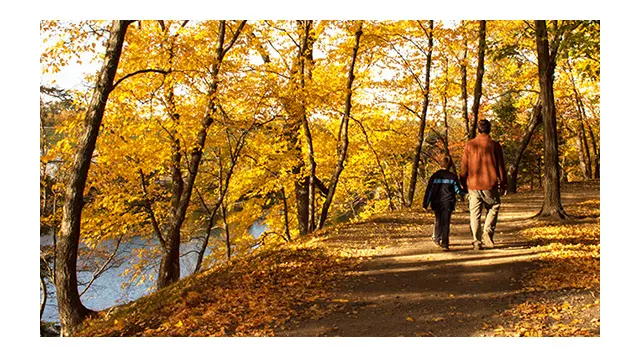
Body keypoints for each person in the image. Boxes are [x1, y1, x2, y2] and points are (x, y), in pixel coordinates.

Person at [459, 119, 508, 250]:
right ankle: (487, 232)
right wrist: (503, 183)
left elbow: (464, 167)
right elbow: (500, 167)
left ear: (478, 130)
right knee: (494, 206)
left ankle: (476, 241)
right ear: (489, 129)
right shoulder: (495, 145)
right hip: (489, 184)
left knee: (474, 214)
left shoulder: (469, 145)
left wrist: (463, 183)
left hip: (473, 185)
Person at [422, 156, 465, 251]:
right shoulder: (452, 176)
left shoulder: (434, 176)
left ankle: (437, 239)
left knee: (438, 220)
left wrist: (425, 203)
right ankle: (445, 244)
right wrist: (465, 191)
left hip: (436, 202)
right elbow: (457, 190)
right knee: (446, 222)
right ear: (450, 166)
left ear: (440, 164)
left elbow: (429, 191)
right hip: (448, 202)